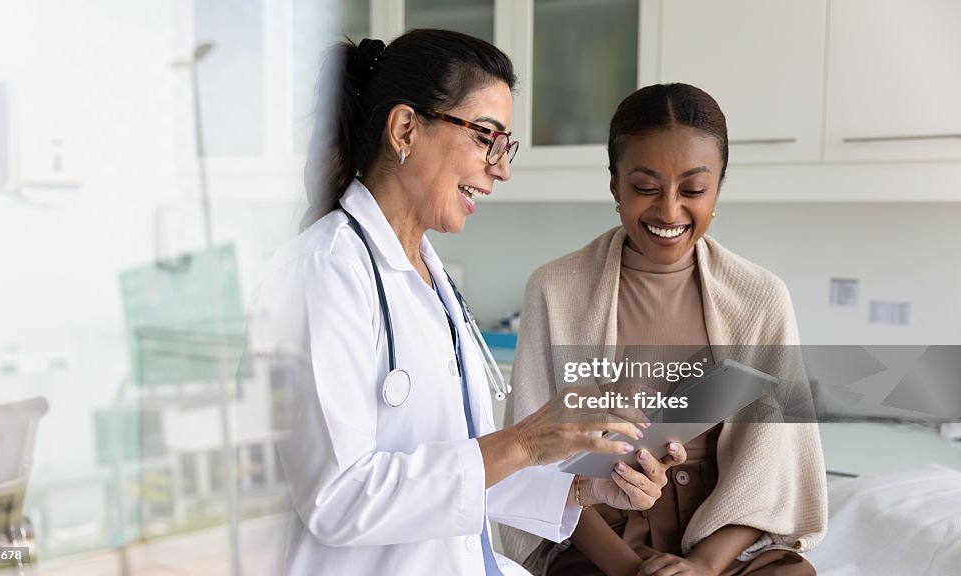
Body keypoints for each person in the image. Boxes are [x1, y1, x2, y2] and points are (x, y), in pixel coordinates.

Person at [253, 31, 688, 575]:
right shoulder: (323, 271)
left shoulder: (429, 275)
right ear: (405, 128)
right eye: (487, 137)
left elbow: (454, 472)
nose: (501, 168)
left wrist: (587, 488)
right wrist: (524, 444)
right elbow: (338, 499)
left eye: (504, 146)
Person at [501, 83, 827, 576]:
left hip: (722, 537)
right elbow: (534, 466)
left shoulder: (761, 299)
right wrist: (632, 569)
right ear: (615, 185)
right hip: (597, 537)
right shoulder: (555, 289)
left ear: (717, 188)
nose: (669, 212)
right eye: (646, 187)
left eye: (693, 190)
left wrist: (699, 566)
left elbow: (774, 472)